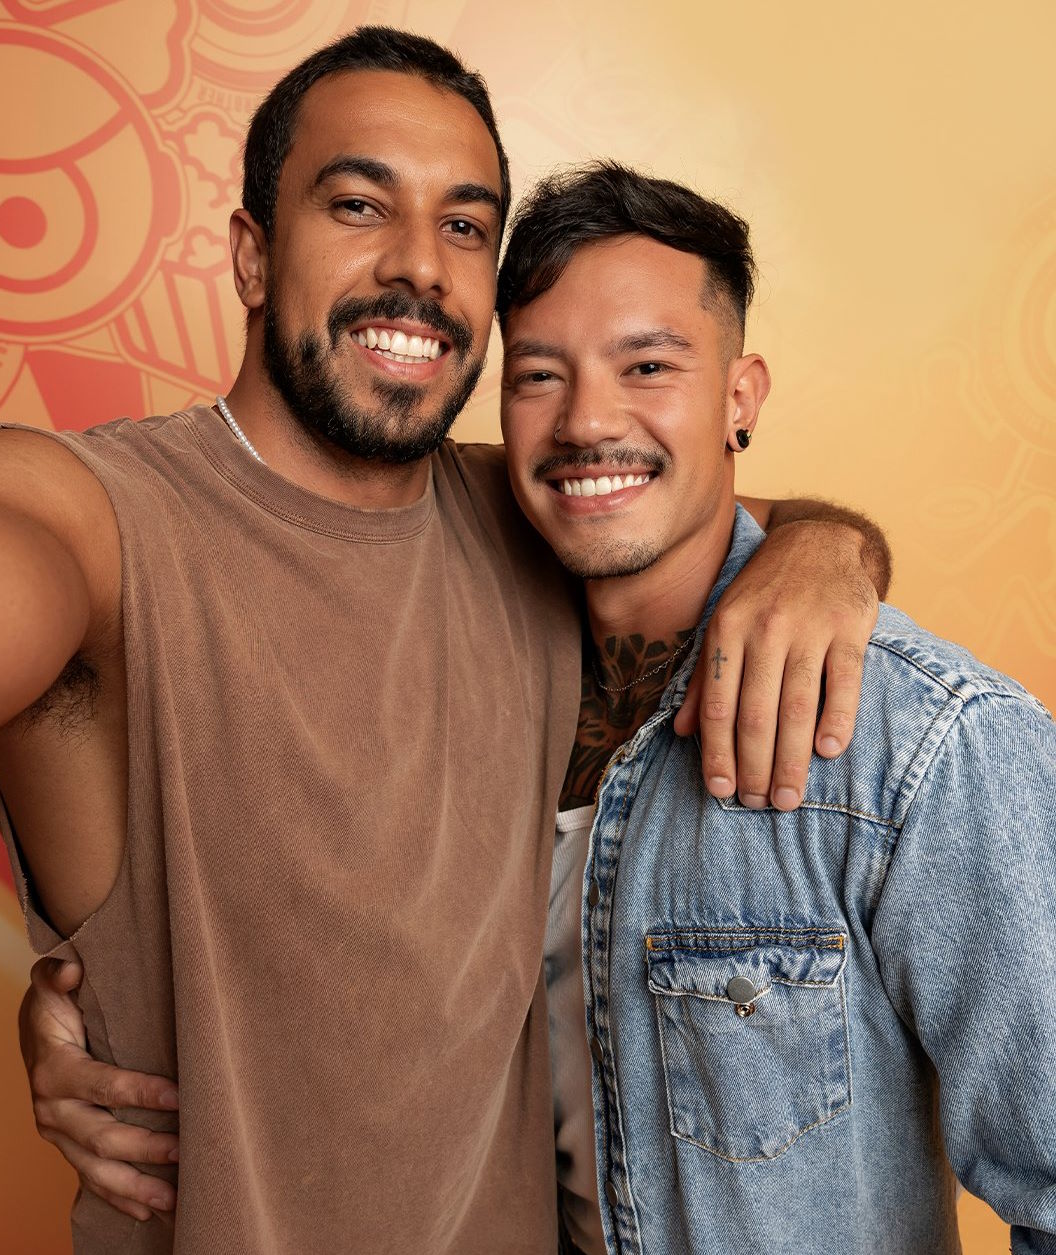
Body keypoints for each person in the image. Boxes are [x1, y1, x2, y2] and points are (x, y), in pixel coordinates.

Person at [0, 29, 889, 1254]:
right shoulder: (94, 519)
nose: (419, 264)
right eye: (359, 204)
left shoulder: (538, 514)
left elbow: (724, 513)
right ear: (252, 255)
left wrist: (829, 550)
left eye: (465, 225)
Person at [495, 164, 1056, 1254]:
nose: (586, 420)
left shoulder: (920, 742)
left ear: (740, 396)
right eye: (539, 375)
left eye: (648, 365)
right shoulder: (475, 682)